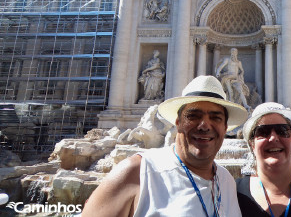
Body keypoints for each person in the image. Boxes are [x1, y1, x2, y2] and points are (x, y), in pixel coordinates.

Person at [82, 75, 248, 217]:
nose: (205, 125)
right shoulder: (137, 172)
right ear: (178, 122)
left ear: (225, 127)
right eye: (193, 116)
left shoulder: (226, 180)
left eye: (215, 117)